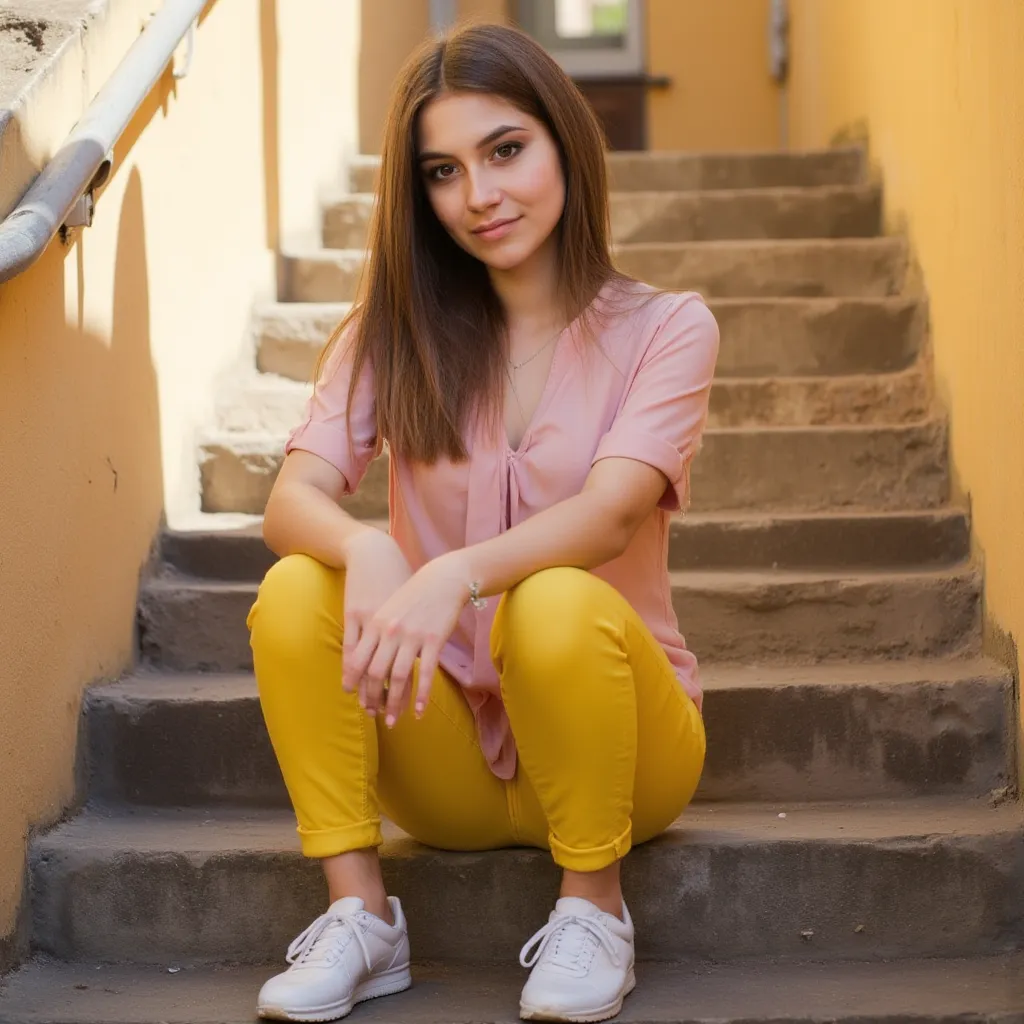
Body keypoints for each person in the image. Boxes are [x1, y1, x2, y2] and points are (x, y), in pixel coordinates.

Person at [247, 20, 718, 1024]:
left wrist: (452, 571)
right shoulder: (393, 333)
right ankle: (361, 919)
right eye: (443, 171)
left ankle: (595, 907)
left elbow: (608, 515)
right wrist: (371, 546)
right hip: (446, 763)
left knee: (550, 599)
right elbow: (290, 502)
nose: (480, 195)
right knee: (297, 584)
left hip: (628, 753)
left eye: (505, 149)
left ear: (564, 141)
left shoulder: (666, 328)